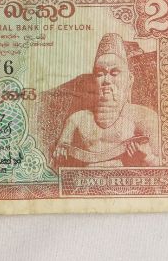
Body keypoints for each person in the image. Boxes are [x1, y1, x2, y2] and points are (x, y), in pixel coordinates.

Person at [53, 33, 159, 167]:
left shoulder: (145, 117)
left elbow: (166, 166)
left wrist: (148, 157)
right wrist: (60, 154)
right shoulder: (76, 119)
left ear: (129, 79)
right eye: (100, 74)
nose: (107, 80)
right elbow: (56, 163)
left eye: (115, 73)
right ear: (93, 81)